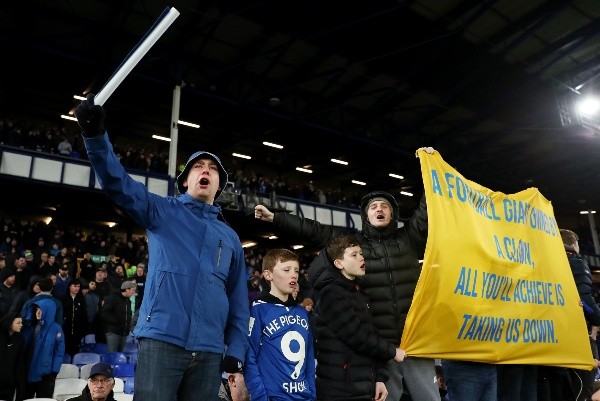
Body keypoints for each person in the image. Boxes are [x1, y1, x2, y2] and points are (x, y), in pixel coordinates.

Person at [75, 94, 250, 401]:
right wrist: (95, 137)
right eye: (198, 166)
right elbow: (118, 184)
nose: (205, 170)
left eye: (212, 168)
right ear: (186, 180)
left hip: (209, 350)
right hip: (161, 342)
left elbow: (238, 301)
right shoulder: (162, 211)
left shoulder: (231, 238)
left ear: (220, 184)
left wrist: (235, 349)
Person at [254, 147, 439, 401]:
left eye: (384, 205)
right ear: (366, 215)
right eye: (373, 206)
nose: (379, 208)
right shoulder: (354, 244)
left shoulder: (409, 239)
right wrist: (276, 217)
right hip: (381, 346)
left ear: (393, 214)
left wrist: (432, 167)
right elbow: (315, 230)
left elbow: (427, 210)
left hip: (416, 339)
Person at [312, 234, 406, 401]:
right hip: (340, 388)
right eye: (354, 255)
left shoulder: (360, 293)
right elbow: (356, 335)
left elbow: (372, 334)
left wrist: (379, 378)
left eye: (361, 253)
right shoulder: (330, 294)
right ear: (338, 263)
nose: (361, 257)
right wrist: (392, 351)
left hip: (361, 385)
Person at [244, 248, 316, 401]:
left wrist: (312, 394)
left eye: (296, 270)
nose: (294, 275)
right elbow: (250, 358)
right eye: (286, 269)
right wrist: (261, 397)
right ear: (268, 275)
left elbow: (309, 358)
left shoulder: (302, 312)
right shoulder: (258, 309)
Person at [559, 228, 600, 401]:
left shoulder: (549, 260)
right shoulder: (575, 261)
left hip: (555, 331)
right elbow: (584, 299)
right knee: (584, 384)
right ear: (573, 243)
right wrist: (598, 318)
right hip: (577, 332)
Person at [23, 298, 65, 399]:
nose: (38, 312)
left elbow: (59, 353)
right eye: (36, 308)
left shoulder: (56, 329)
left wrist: (53, 372)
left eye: (41, 309)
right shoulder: (28, 326)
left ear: (48, 310)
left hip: (46, 375)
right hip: (26, 373)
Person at [101, 280, 135, 352]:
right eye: (133, 290)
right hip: (113, 332)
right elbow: (104, 313)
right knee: (113, 354)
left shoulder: (128, 301)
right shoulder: (112, 298)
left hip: (124, 333)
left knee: (120, 354)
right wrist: (116, 322)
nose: (134, 292)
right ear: (127, 289)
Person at [0, 312, 26, 401]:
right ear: (10, 323)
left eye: (21, 322)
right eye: (18, 323)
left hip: (9, 384)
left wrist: (20, 390)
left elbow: (20, 364)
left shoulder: (20, 339)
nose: (21, 325)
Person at [61, 278, 88, 357]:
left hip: (77, 331)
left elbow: (84, 315)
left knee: (75, 351)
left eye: (78, 286)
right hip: (65, 330)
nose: (77, 288)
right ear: (69, 287)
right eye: (75, 286)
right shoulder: (63, 298)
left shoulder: (81, 299)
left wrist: (83, 328)